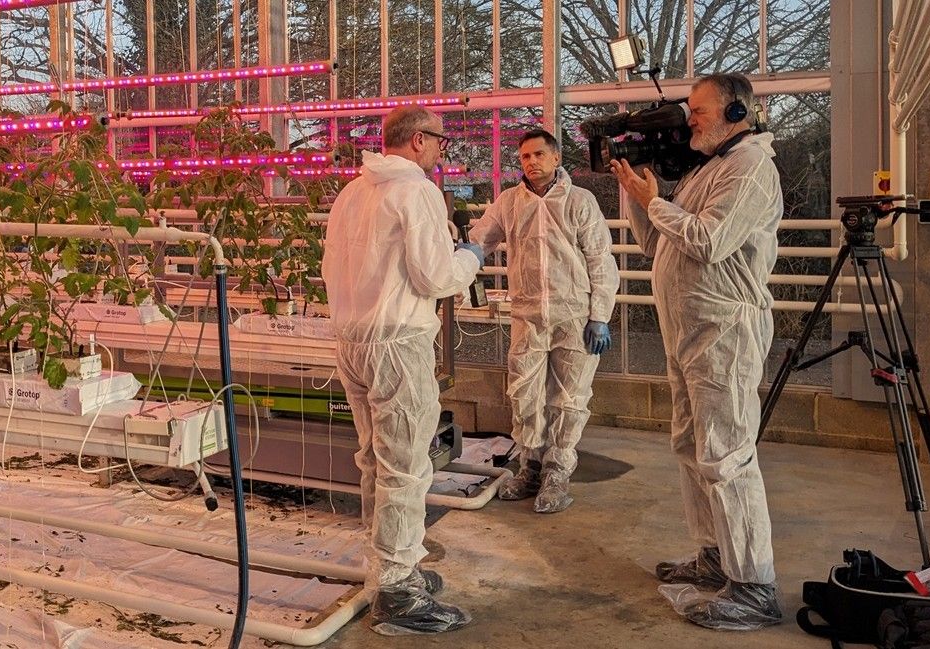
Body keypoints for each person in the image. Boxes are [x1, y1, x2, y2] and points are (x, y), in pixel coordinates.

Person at [611, 72, 783, 630]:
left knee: (728, 456)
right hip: (688, 331)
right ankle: (715, 557)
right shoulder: (710, 168)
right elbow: (656, 240)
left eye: (700, 111)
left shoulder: (751, 168)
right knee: (692, 446)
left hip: (724, 331)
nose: (690, 121)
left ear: (737, 114)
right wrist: (638, 194)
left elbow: (708, 241)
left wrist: (657, 202)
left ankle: (754, 582)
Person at [322, 105, 483, 636]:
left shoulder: (352, 191)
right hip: (397, 344)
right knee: (406, 464)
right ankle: (395, 589)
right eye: (439, 140)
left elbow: (330, 266)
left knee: (375, 459)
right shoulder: (416, 191)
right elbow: (436, 275)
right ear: (418, 141)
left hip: (352, 341)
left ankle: (390, 568)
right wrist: (472, 257)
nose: (442, 149)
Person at [468, 129, 617, 513]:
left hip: (574, 316)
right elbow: (481, 237)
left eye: (537, 155)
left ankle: (558, 471)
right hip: (529, 315)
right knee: (525, 393)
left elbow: (600, 259)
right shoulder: (509, 203)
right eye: (523, 157)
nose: (530, 162)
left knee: (570, 398)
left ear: (555, 158)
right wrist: (460, 256)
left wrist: (600, 316)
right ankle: (529, 465)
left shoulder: (580, 201)